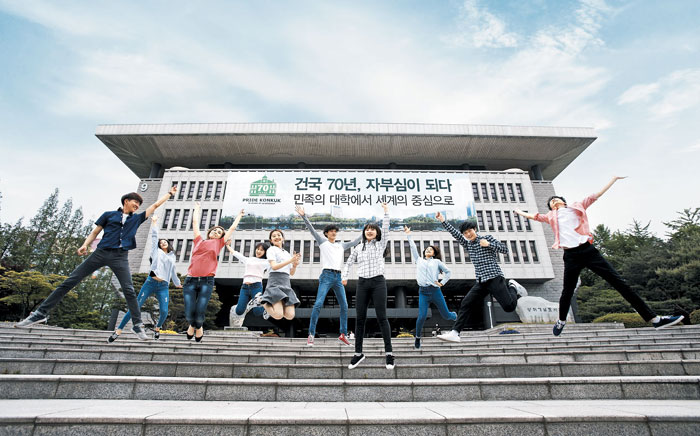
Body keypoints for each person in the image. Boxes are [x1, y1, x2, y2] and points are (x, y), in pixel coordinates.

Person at [514, 176, 683, 336]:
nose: (554, 201)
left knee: (619, 283)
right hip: (571, 255)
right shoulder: (551, 216)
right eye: (551, 202)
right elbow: (533, 216)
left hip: (588, 251)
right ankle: (561, 320)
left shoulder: (577, 206)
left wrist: (613, 179)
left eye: (556, 199)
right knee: (567, 290)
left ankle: (654, 319)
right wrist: (518, 211)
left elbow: (598, 195)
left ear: (563, 202)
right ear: (551, 208)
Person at [16, 186, 178, 340]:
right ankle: (40, 314)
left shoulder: (136, 220)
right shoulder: (108, 215)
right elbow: (95, 231)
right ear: (126, 201)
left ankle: (137, 324)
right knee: (70, 281)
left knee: (128, 290)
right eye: (135, 202)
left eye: (139, 204)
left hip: (120, 256)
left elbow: (155, 205)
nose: (137, 205)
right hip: (101, 253)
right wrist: (85, 245)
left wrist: (169, 194)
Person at [435, 212, 527, 342]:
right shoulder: (468, 244)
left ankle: (513, 287)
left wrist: (489, 244)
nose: (468, 234)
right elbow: (455, 234)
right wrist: (443, 221)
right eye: (465, 233)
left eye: (470, 231)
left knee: (509, 307)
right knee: (466, 302)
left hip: (494, 277)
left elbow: (505, 249)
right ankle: (455, 332)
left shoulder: (487, 238)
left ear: (475, 230)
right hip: (481, 281)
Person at [108, 215, 182, 342]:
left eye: (165, 242)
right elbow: (154, 238)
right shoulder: (156, 252)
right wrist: (154, 223)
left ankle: (157, 328)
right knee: (136, 306)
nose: (162, 243)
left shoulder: (172, 256)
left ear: (168, 245)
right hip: (151, 282)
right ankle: (118, 330)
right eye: (161, 242)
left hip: (163, 286)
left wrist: (177, 283)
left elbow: (173, 271)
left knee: (164, 311)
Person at [296, 205, 361, 346]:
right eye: (331, 231)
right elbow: (312, 230)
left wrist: (367, 229)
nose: (333, 233)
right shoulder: (323, 242)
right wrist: (304, 216)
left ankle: (343, 334)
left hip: (338, 277)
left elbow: (356, 242)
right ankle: (311, 334)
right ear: (326, 233)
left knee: (344, 305)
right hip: (326, 275)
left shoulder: (341, 246)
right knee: (318, 304)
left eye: (335, 231)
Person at [342, 203, 394, 370]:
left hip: (378, 282)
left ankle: (389, 354)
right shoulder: (358, 248)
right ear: (364, 232)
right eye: (367, 229)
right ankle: (358, 354)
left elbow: (385, 228)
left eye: (373, 229)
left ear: (377, 233)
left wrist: (386, 212)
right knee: (360, 319)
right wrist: (344, 277)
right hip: (362, 283)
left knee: (382, 317)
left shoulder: (380, 244)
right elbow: (349, 262)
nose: (370, 231)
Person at [183, 205, 244, 342]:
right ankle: (196, 326)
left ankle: (196, 325)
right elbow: (195, 223)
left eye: (219, 232)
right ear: (210, 232)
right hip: (190, 280)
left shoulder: (219, 243)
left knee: (199, 311)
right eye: (214, 230)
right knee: (189, 312)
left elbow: (232, 229)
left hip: (207, 280)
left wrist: (239, 216)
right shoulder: (199, 240)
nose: (216, 233)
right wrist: (197, 209)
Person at [404, 225, 455, 349]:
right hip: (423, 292)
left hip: (435, 291)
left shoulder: (437, 262)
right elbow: (413, 248)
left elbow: (448, 272)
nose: (428, 250)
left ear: (434, 253)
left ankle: (456, 317)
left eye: (430, 250)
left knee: (446, 315)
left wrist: (442, 282)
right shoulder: (419, 260)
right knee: (421, 316)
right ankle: (417, 338)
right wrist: (409, 235)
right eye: (426, 249)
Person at [260, 229, 301, 320]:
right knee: (278, 315)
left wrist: (294, 265)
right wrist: (290, 261)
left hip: (286, 283)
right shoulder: (271, 250)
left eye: (279, 235)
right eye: (274, 236)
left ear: (283, 238)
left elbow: (291, 273)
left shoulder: (286, 253)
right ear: (271, 240)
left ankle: (269, 304)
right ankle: (261, 301)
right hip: (275, 282)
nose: (276, 237)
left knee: (290, 316)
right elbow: (274, 266)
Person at [227, 241, 270, 327]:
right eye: (257, 249)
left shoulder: (267, 262)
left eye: (261, 250)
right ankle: (235, 308)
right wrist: (227, 245)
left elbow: (278, 264)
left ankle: (268, 307)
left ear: (265, 252)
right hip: (245, 287)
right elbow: (236, 254)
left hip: (256, 287)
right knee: (239, 311)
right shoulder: (249, 259)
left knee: (257, 312)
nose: (258, 251)